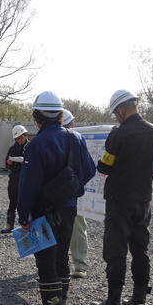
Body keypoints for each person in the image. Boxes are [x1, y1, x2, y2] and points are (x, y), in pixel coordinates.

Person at [17, 91, 95, 305]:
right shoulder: (76, 138)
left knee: (45, 261)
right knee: (62, 257)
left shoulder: (36, 144)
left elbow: (28, 185)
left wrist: (23, 215)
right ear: (60, 114)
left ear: (36, 115)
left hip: (43, 212)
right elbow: (90, 170)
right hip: (69, 209)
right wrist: (72, 189)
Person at [91, 90, 153, 305]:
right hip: (144, 200)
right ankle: (139, 301)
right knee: (141, 250)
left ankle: (113, 303)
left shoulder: (119, 135)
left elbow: (104, 167)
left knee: (116, 250)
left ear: (121, 110)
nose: (116, 118)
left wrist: (112, 139)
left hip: (119, 200)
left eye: (115, 113)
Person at [61, 110, 89, 278]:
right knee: (77, 228)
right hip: (73, 194)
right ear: (70, 124)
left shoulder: (48, 140)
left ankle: (58, 265)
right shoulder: (78, 140)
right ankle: (79, 265)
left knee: (56, 227)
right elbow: (89, 169)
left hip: (55, 195)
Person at [0, 125, 30, 233]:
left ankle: (27, 226)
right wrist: (9, 162)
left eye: (21, 137)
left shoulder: (31, 147)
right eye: (17, 138)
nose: (19, 140)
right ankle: (9, 225)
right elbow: (6, 164)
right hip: (14, 179)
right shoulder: (12, 149)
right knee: (12, 202)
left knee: (27, 203)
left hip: (27, 179)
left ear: (25, 135)